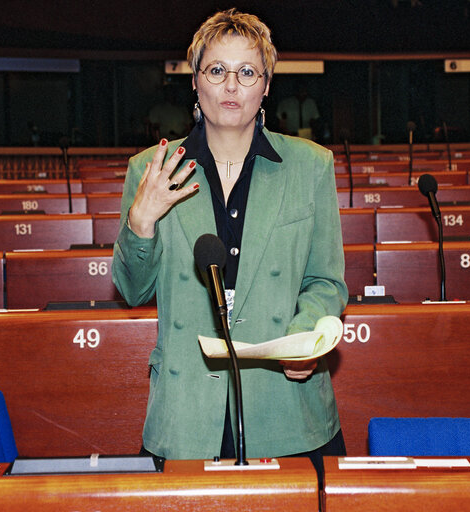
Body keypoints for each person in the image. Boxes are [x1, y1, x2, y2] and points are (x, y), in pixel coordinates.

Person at [112, 8, 347, 479]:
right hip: (187, 410)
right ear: (196, 83)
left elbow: (325, 280)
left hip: (285, 404)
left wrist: (303, 340)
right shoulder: (152, 168)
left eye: (247, 72)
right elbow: (133, 291)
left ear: (266, 85)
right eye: (217, 70)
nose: (232, 86)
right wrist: (141, 222)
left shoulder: (310, 165)